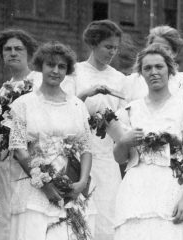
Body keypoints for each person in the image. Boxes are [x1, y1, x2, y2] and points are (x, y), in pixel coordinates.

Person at [6, 41, 94, 240]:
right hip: (35, 189)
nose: (56, 71)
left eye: (61, 66)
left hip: (70, 185)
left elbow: (86, 148)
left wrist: (81, 183)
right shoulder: (23, 104)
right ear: (40, 67)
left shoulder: (77, 105)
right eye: (50, 65)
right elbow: (20, 150)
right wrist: (45, 185)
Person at [111, 44, 183, 240]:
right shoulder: (131, 110)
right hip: (135, 187)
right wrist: (124, 142)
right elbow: (119, 159)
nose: (154, 72)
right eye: (147, 68)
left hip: (169, 187)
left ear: (169, 69)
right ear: (141, 73)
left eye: (159, 67)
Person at [61, 19, 127, 239]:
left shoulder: (119, 78)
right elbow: (64, 110)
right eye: (108, 47)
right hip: (79, 152)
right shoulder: (75, 73)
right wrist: (87, 94)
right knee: (80, 212)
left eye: (116, 48)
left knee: (107, 212)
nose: (113, 52)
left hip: (107, 155)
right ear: (93, 43)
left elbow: (123, 118)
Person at [0, 28, 40, 240]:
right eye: (7, 49)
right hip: (3, 158)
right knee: (2, 212)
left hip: (29, 155)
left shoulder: (38, 81)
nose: (12, 53)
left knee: (27, 211)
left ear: (28, 52)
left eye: (18, 49)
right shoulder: (4, 88)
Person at [126, 26, 183, 109]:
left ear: (174, 52)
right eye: (154, 48)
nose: (159, 52)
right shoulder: (133, 81)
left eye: (165, 49)